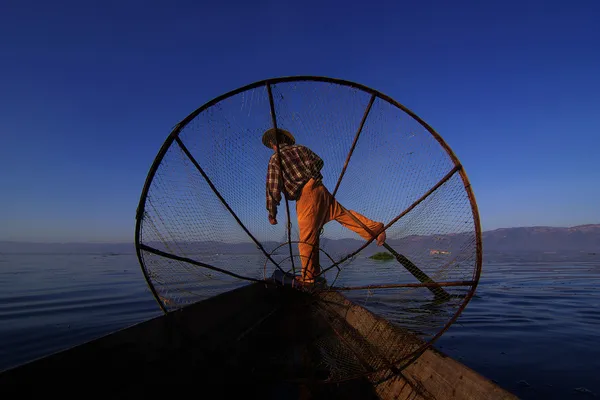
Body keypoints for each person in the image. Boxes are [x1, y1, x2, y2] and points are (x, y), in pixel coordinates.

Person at [263, 128, 386, 285]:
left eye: (271, 144)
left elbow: (272, 189)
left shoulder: (275, 159)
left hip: (306, 196)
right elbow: (319, 161)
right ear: (285, 140)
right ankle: (376, 229)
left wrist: (272, 213)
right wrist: (310, 174)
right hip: (320, 189)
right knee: (344, 215)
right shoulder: (301, 149)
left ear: (273, 143)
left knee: (306, 240)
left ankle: (308, 278)